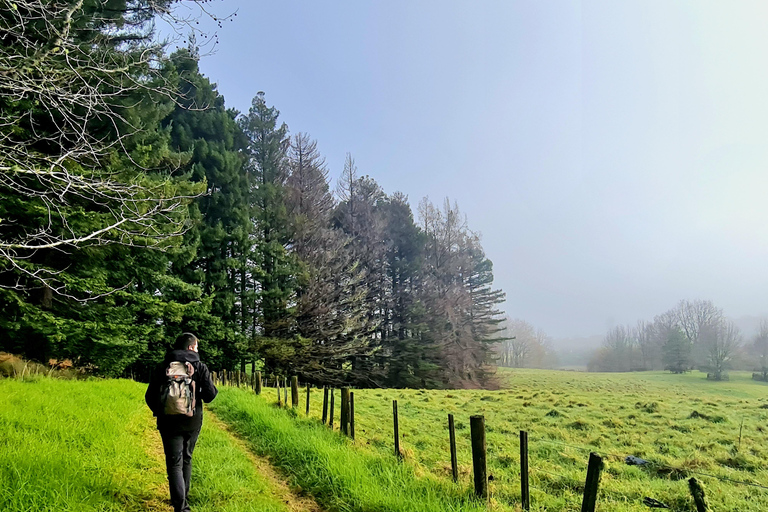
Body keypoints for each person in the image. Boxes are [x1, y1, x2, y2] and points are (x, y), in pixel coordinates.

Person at [145, 333, 218, 512]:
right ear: (191, 347)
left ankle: (180, 506)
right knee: (187, 457)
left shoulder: (163, 366)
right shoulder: (199, 366)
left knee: (174, 462)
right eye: (197, 347)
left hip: (168, 421)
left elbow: (149, 396)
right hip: (192, 420)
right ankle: (183, 497)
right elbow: (210, 396)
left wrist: (161, 411)